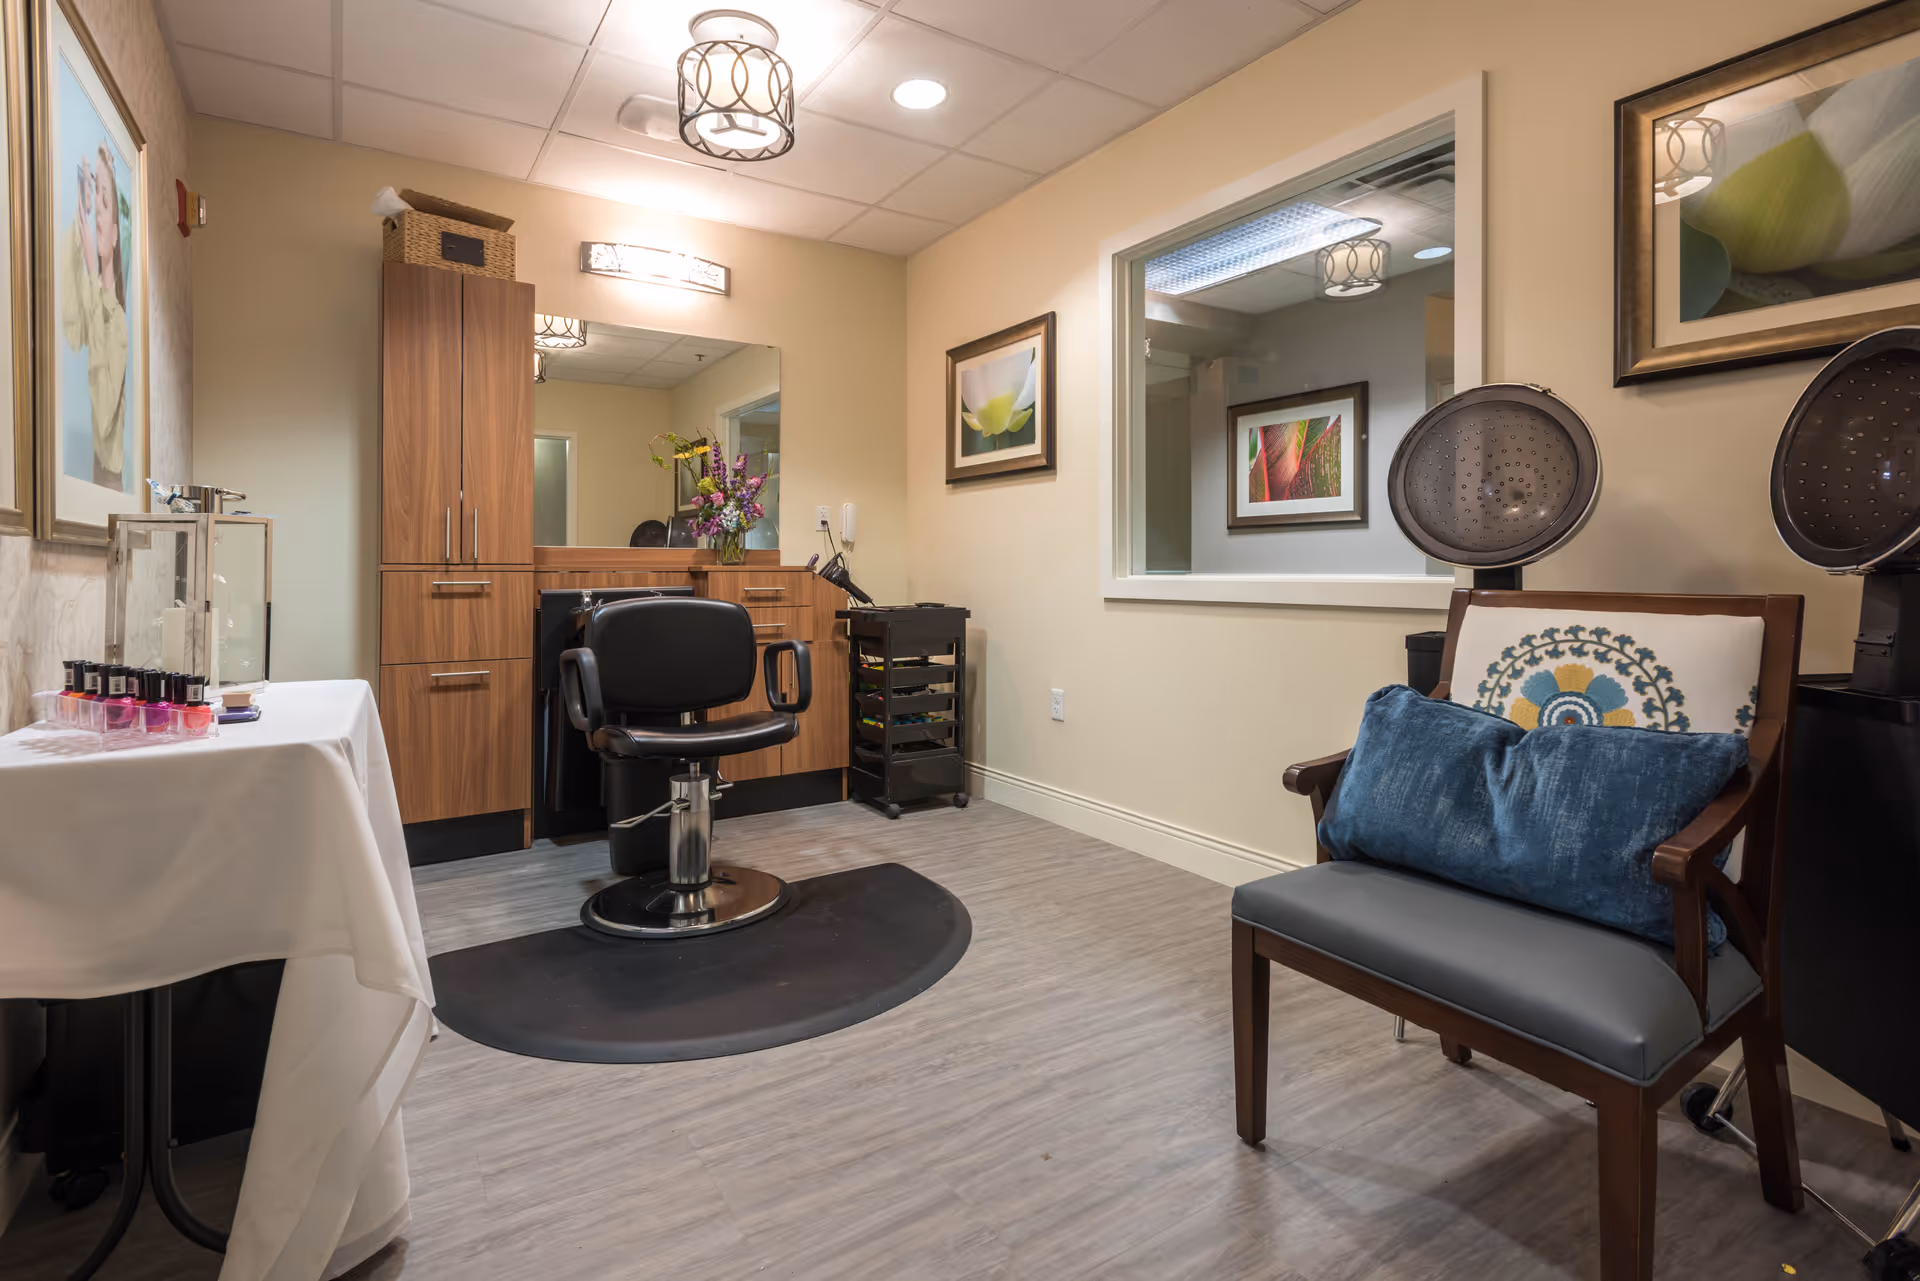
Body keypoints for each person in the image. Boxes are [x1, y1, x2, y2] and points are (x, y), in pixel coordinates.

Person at [62, 143, 129, 489]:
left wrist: (90, 269)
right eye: (97, 200)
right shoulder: (96, 307)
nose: (98, 219)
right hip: (94, 488)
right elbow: (71, 332)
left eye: (105, 203)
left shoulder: (117, 319)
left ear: (116, 235)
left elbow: (104, 414)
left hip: (108, 488)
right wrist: (79, 211)